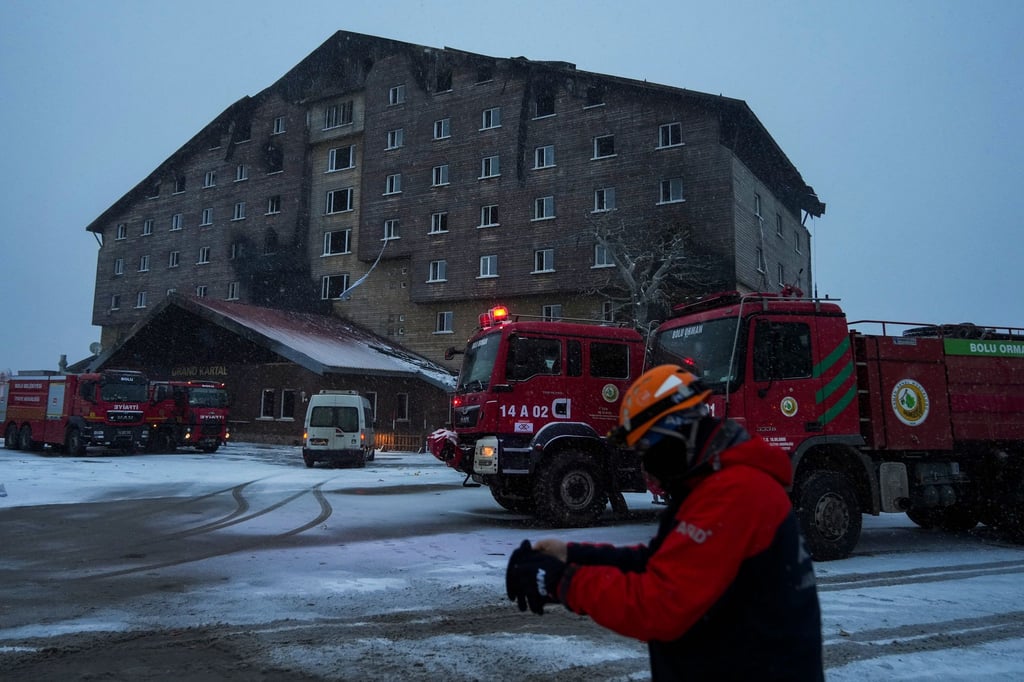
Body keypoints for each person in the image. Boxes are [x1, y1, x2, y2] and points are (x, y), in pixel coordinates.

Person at [505, 364, 823, 680]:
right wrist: (572, 556)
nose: (646, 464)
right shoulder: (709, 485)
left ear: (675, 432)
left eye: (647, 447)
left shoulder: (734, 493)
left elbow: (659, 605)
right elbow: (658, 562)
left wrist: (561, 581)